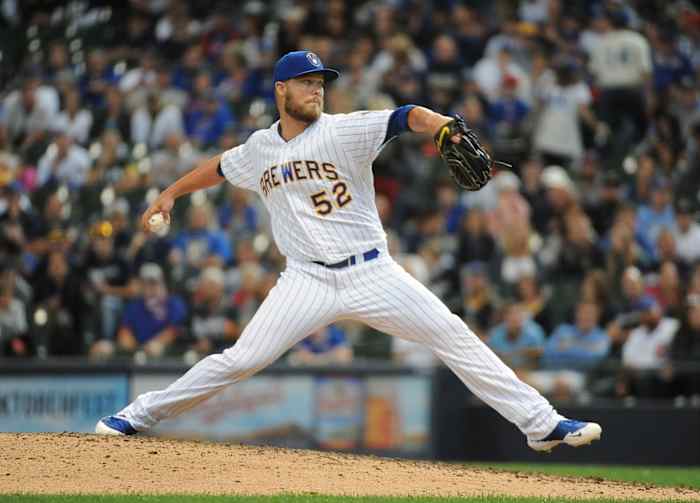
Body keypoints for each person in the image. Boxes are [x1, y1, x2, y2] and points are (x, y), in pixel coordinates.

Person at [96, 50, 601, 452]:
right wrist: (169, 194)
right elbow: (219, 168)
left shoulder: (343, 131)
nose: (317, 90)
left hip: (371, 272)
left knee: (452, 333)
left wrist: (443, 125)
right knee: (240, 359)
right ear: (281, 89)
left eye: (321, 83)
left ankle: (541, 423)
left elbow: (407, 116)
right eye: (307, 82)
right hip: (305, 280)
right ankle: (136, 416)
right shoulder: (260, 149)